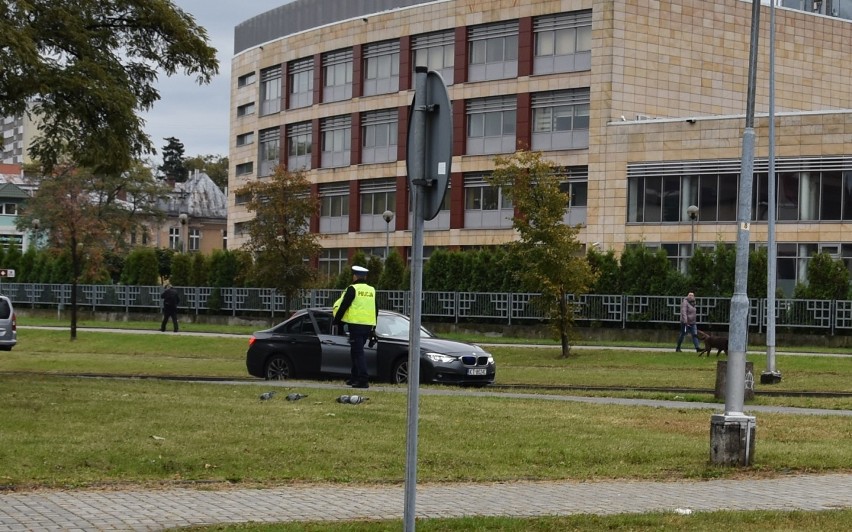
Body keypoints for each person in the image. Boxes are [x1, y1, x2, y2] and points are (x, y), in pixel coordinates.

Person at [332, 265, 378, 389]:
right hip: (368, 325)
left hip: (356, 325)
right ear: (365, 277)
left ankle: (363, 380)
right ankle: (354, 377)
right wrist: (374, 326)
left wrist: (336, 321)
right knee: (355, 351)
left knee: (358, 353)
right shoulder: (371, 290)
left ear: (355, 276)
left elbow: (344, 305)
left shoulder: (352, 289)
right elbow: (376, 309)